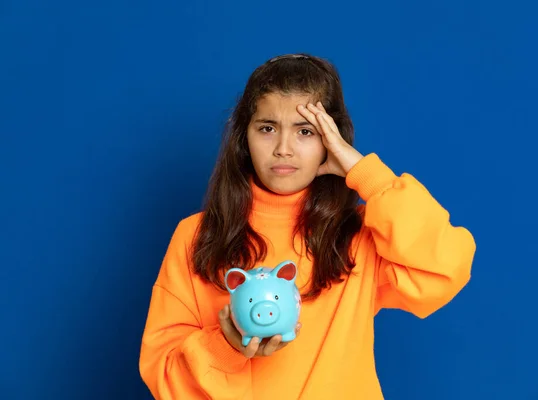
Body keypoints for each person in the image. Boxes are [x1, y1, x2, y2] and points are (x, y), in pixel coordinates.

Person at [138, 53, 476, 400]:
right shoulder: (196, 236)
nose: (283, 149)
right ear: (244, 138)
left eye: (305, 131)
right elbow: (163, 376)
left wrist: (368, 177)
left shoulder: (362, 234)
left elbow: (446, 268)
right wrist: (226, 345)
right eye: (267, 128)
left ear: (331, 141)